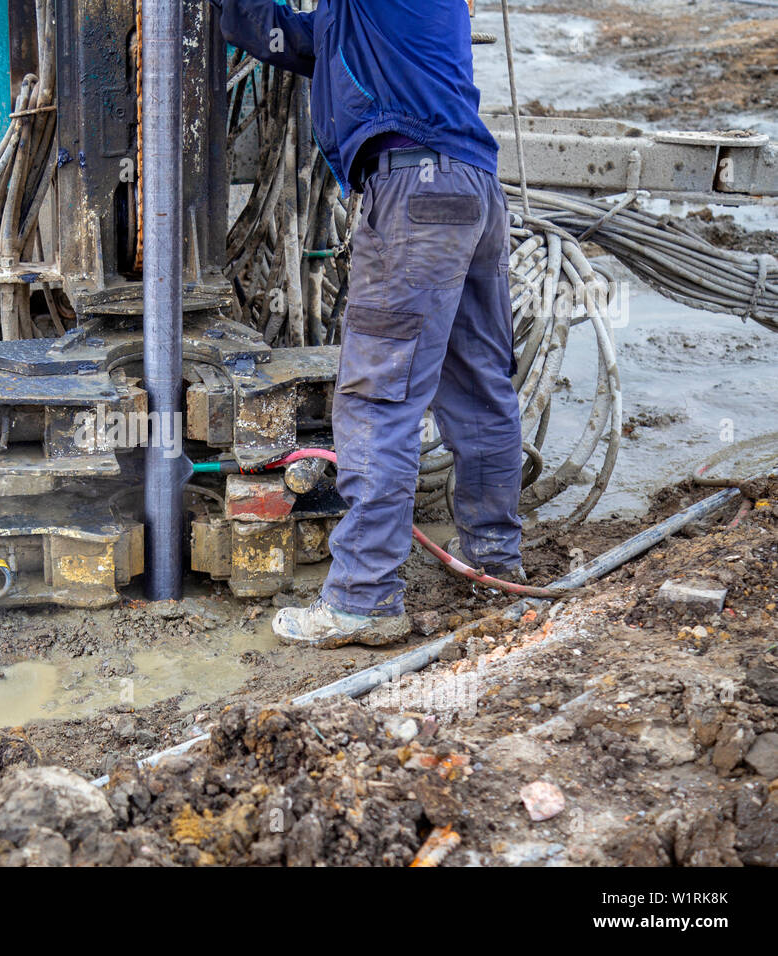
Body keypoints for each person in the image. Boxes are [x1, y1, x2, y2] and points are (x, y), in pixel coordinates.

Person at [211, 0, 525, 648]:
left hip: (414, 195)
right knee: (479, 388)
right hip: (473, 192)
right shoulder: (376, 19)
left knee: (378, 401)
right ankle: (496, 566)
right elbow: (303, 40)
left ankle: (363, 597)